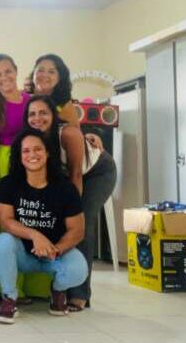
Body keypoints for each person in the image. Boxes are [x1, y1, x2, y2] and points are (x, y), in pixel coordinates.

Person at [24, 95, 117, 311]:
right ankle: (61, 284)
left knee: (81, 223)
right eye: (32, 114)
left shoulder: (67, 133)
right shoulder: (33, 137)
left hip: (96, 173)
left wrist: (71, 210)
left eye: (43, 113)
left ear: (53, 115)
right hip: (72, 176)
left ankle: (79, 294)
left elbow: (76, 174)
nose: (38, 118)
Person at [0, 128, 88, 324]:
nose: (32, 155)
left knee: (79, 269)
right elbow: (6, 221)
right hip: (23, 254)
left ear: (47, 153)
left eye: (37, 149)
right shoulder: (9, 184)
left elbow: (77, 230)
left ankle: (58, 292)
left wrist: (56, 249)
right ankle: (9, 299)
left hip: (55, 254)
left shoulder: (65, 188)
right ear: (19, 156)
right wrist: (35, 235)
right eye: (26, 151)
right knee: (3, 242)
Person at [0, 53, 30, 204]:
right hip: (7, 162)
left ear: (16, 71)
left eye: (8, 71)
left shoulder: (31, 100)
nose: (4, 77)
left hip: (34, 157)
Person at [32, 54, 80, 126]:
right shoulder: (22, 97)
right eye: (40, 70)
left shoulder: (64, 106)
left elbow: (75, 131)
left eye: (51, 72)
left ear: (59, 77)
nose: (45, 75)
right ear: (33, 73)